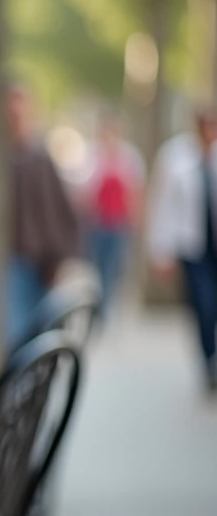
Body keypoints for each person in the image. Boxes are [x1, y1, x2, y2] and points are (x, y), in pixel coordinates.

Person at [5, 84, 82, 346]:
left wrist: (58, 257)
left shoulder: (39, 157)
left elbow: (57, 210)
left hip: (37, 262)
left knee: (35, 329)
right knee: (14, 330)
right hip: (8, 261)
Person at [147, 107, 217, 393]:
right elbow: (162, 205)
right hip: (193, 247)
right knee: (204, 305)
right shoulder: (174, 156)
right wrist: (160, 250)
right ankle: (209, 360)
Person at [80, 114, 145, 319]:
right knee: (96, 265)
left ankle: (104, 306)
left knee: (112, 266)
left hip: (118, 223)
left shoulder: (129, 158)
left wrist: (137, 219)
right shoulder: (92, 155)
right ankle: (98, 302)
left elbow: (136, 191)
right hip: (97, 224)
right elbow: (84, 191)